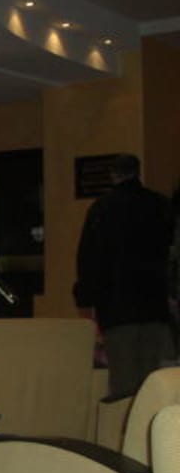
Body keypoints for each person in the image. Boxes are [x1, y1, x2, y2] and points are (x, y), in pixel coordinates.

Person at [73, 154, 174, 398]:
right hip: (155, 305)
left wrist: (87, 297)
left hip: (117, 307)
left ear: (114, 175)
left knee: (124, 382)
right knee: (154, 381)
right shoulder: (161, 205)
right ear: (138, 172)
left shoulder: (102, 209)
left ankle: (128, 422)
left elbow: (90, 258)